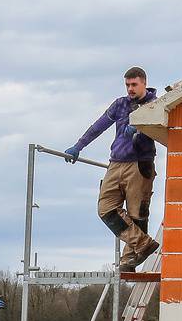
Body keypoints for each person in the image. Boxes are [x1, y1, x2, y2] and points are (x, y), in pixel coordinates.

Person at [66, 67, 161, 270]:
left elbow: (163, 126)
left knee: (137, 213)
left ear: (144, 83)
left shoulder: (154, 104)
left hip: (139, 163)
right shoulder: (121, 104)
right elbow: (99, 126)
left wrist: (142, 125)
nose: (130, 89)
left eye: (134, 84)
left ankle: (129, 260)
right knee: (106, 208)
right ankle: (143, 245)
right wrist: (79, 146)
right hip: (116, 162)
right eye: (127, 85)